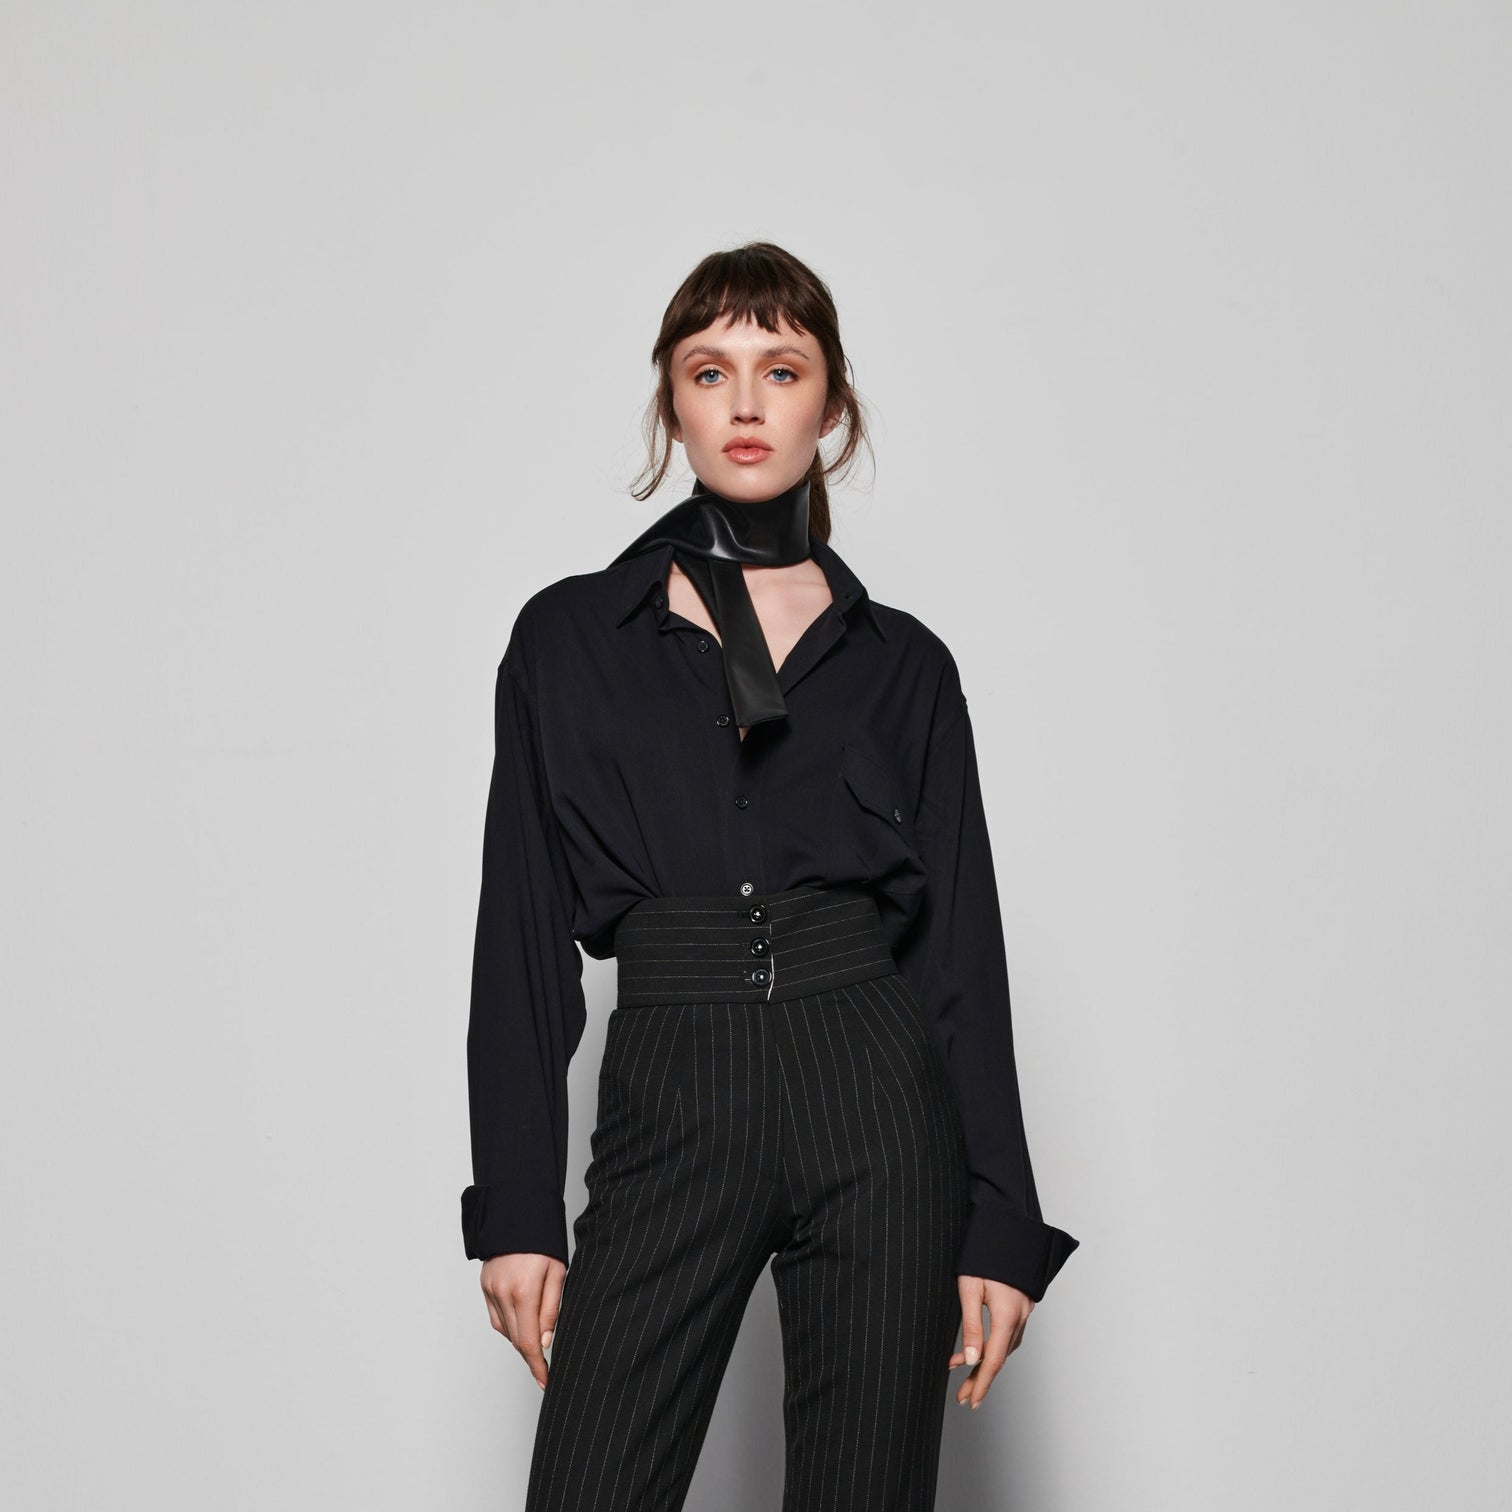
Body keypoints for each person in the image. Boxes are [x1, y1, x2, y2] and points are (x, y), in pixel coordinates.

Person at [461, 240, 1079, 1511]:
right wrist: (517, 1205)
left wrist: (1000, 1222)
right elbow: (518, 933)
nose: (746, 403)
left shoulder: (903, 666)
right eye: (711, 371)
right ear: (672, 404)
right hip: (673, 1084)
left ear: (831, 407)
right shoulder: (570, 639)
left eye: (782, 370)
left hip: (874, 1094)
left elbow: (959, 954)